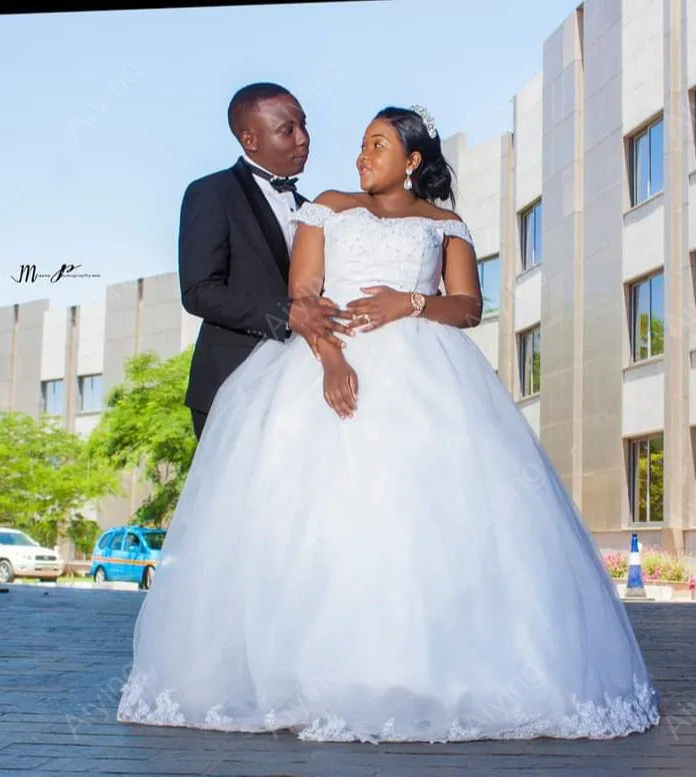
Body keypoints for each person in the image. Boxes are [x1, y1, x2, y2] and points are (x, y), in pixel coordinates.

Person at [118, 105, 660, 742]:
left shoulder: (446, 222)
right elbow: (304, 297)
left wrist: (410, 303)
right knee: (324, 522)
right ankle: (309, 675)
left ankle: (439, 672)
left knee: (425, 521)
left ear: (412, 160)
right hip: (330, 361)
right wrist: (330, 361)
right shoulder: (325, 206)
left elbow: (467, 308)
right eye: (361, 144)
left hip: (429, 370)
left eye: (377, 145)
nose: (360, 156)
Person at [178, 82, 350, 440]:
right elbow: (199, 291)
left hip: (300, 384)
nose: (303, 138)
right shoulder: (210, 193)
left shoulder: (312, 210)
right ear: (249, 140)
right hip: (230, 383)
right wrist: (284, 313)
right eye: (287, 130)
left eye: (304, 125)